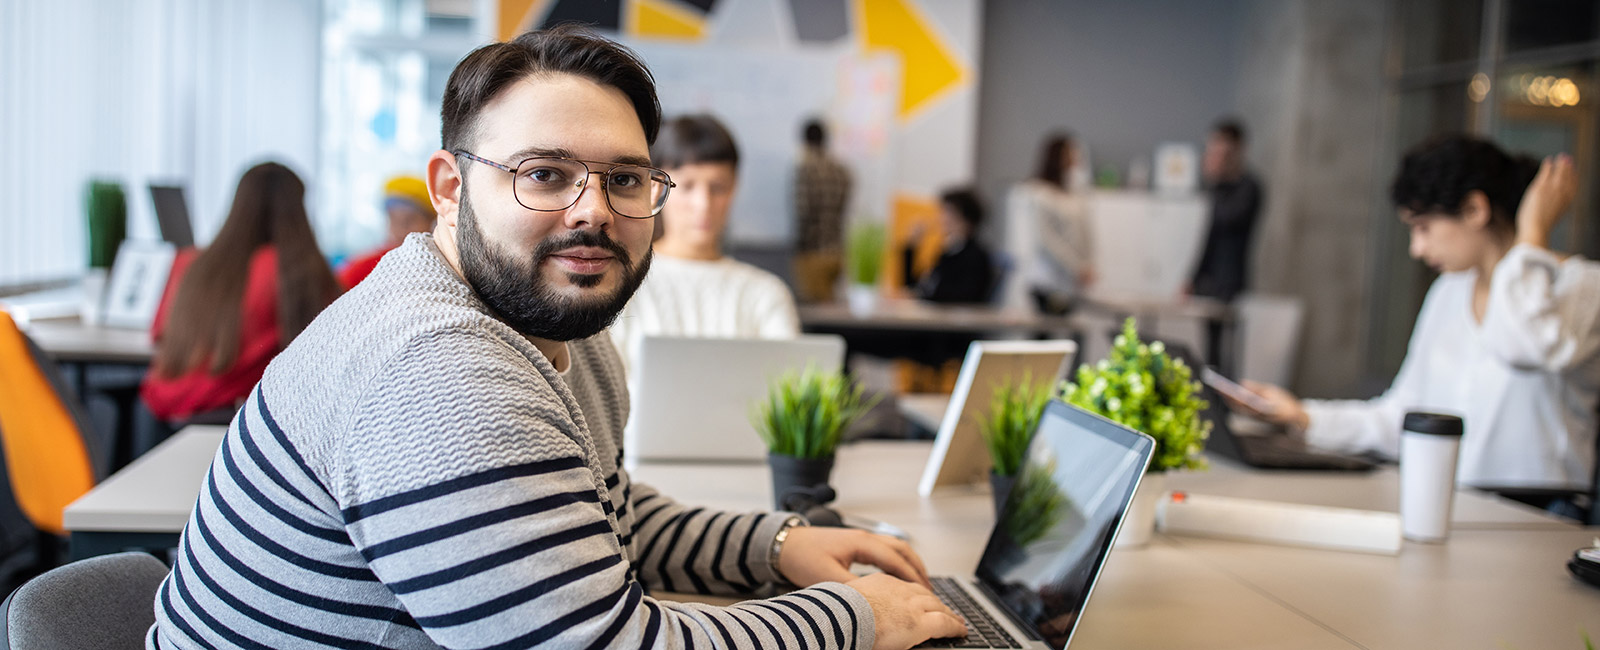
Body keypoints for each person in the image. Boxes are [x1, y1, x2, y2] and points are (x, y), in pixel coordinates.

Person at [148, 26, 964, 650]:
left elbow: (593, 517)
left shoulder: (556, 319)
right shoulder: (436, 370)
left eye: (624, 178)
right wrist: (856, 617)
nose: (593, 210)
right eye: (543, 173)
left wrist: (775, 543)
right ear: (450, 187)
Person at [1241, 135, 1600, 495]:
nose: (1417, 248)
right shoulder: (1450, 291)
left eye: (1423, 227)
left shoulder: (1582, 287)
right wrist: (1303, 416)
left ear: (1475, 209)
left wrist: (1532, 234)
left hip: (1542, 522)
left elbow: (1524, 346)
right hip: (1452, 510)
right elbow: (1407, 415)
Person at [140, 162, 339, 424]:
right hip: (239, 421)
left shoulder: (191, 263)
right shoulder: (295, 271)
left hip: (166, 411)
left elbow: (158, 334)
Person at [609, 114, 799, 376]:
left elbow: (790, 393)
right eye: (687, 186)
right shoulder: (621, 283)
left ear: (734, 188)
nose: (704, 204)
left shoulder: (765, 295)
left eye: (718, 187)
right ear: (656, 188)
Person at [1006, 132, 1093, 314]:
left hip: (1070, 281)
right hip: (1047, 279)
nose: (1074, 159)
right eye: (1069, 153)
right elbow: (1046, 240)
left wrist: (1086, 265)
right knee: (1045, 334)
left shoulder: (1074, 195)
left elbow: (1085, 235)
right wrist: (1075, 267)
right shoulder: (1040, 193)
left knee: (1067, 333)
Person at [1188, 119, 1263, 303]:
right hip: (1203, 281)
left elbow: (1226, 220)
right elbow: (1205, 236)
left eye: (1222, 151)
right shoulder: (1215, 189)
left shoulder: (1249, 187)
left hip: (1229, 284)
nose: (1216, 156)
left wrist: (1217, 177)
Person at [337, 175, 437, 288]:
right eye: (393, 220)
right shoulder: (367, 265)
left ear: (432, 223)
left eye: (409, 221)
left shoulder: (437, 268)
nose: (399, 231)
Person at [792, 118, 853, 303]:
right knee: (829, 306)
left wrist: (799, 250)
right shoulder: (842, 170)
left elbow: (803, 213)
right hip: (838, 250)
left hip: (813, 252)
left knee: (816, 314)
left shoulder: (806, 169)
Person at [902, 188, 995, 304]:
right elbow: (916, 287)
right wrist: (911, 248)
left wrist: (919, 297)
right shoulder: (948, 253)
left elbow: (962, 298)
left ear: (966, 219)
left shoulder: (976, 256)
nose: (941, 218)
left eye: (949, 212)